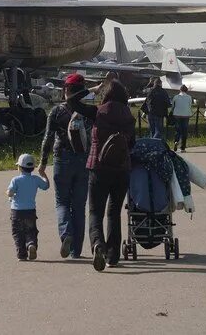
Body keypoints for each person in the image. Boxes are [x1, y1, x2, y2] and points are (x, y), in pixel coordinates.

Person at [68, 79, 135, 272]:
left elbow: (71, 101)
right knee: (114, 213)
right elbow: (132, 144)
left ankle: (97, 244)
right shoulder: (128, 115)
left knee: (95, 212)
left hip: (98, 167)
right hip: (121, 169)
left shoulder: (98, 112)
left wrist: (91, 90)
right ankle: (112, 256)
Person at [38, 73, 91, 259]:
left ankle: (66, 234)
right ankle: (76, 250)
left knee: (62, 202)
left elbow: (47, 138)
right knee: (79, 206)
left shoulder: (56, 111)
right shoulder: (88, 111)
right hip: (83, 160)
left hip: (62, 158)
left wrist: (43, 162)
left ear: (65, 90)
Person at [6, 153, 50, 261]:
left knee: (18, 233)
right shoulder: (35, 179)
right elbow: (46, 186)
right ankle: (31, 244)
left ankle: (22, 255)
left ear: (20, 168)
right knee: (31, 230)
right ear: (33, 168)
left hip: (16, 211)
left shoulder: (15, 180)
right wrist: (43, 174)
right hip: (30, 211)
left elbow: (10, 192)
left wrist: (9, 193)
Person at [170, 85, 193, 152]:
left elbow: (173, 106)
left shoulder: (176, 97)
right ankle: (183, 148)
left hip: (177, 115)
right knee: (184, 131)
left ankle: (176, 141)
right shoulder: (189, 97)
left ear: (180, 90)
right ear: (186, 90)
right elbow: (190, 105)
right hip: (186, 115)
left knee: (178, 130)